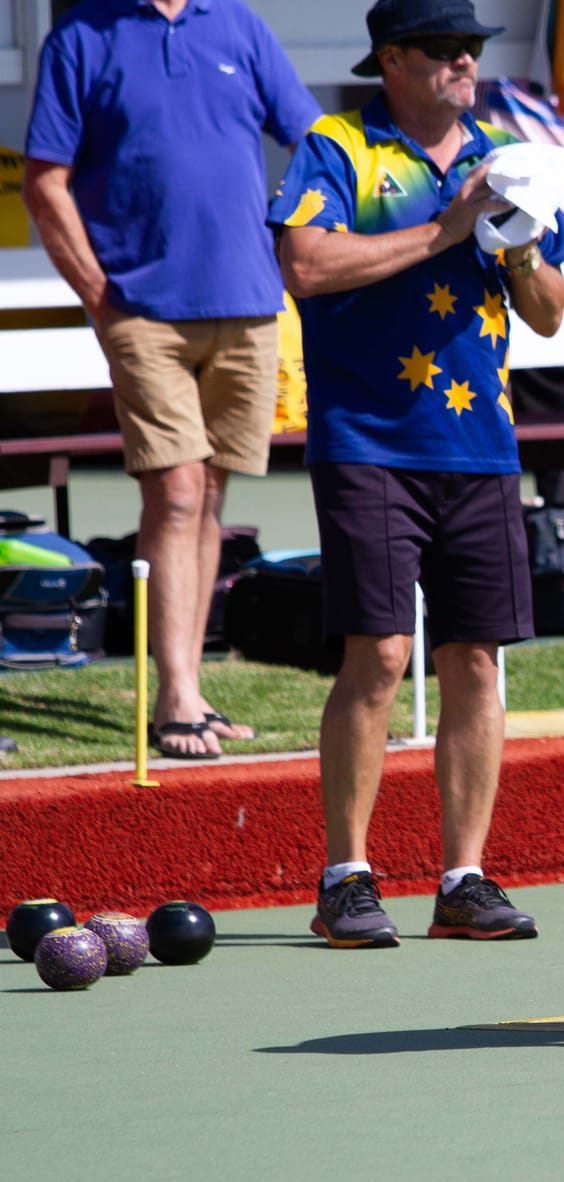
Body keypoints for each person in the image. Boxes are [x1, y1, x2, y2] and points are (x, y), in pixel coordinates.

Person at [268, 0, 564, 947]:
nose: (464, 65)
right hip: (367, 438)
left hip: (480, 445)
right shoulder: (340, 145)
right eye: (443, 50)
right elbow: (307, 264)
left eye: (472, 50)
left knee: (475, 661)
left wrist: (517, 243)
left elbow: (553, 312)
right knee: (380, 655)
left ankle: (464, 878)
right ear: (391, 60)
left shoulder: (505, 155)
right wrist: (448, 229)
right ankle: (346, 878)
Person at [22, 0, 321, 758]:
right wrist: (99, 295)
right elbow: (44, 180)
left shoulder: (241, 26)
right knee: (178, 489)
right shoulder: (81, 37)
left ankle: (189, 688)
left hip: (250, 304)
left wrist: (300, 248)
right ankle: (177, 694)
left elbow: (315, 142)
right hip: (141, 310)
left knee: (212, 495)